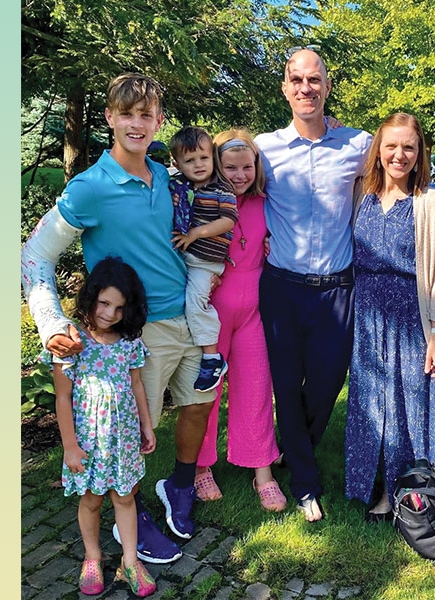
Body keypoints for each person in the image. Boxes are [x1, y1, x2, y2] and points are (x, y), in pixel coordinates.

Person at [21, 73, 214, 564]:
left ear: (159, 122)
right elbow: (33, 256)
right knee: (128, 434)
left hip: (189, 319)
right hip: (135, 332)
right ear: (109, 117)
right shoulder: (89, 189)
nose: (136, 123)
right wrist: (51, 323)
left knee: (198, 406)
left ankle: (182, 486)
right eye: (126, 113)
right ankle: (135, 514)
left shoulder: (168, 180)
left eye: (146, 114)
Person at [254, 48, 372, 521]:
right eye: (296, 80)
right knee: (286, 384)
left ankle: (290, 445)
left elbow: (402, 169)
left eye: (314, 79)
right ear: (285, 88)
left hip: (337, 289)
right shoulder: (264, 147)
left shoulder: (358, 144)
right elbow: (227, 187)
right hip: (281, 287)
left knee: (326, 385)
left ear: (326, 85)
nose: (306, 87)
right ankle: (306, 484)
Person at [343, 113, 435, 521]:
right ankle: (369, 482)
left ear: (420, 152)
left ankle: (408, 493)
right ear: (378, 150)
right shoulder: (361, 194)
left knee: (409, 405)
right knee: (373, 400)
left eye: (409, 146)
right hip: (368, 315)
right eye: (391, 145)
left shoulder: (430, 201)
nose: (399, 155)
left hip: (412, 315)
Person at [48, 257, 157, 596]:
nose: (110, 313)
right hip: (88, 441)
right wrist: (69, 446)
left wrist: (147, 425)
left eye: (119, 307)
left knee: (125, 498)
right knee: (92, 500)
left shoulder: (129, 343)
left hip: (123, 439)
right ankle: (92, 557)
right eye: (104, 303)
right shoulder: (71, 342)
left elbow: (136, 385)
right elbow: (63, 398)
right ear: (91, 296)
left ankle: (129, 561)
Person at [191, 129, 286, 511]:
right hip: (213, 310)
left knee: (256, 387)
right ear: (217, 166)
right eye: (230, 167)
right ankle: (200, 466)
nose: (240, 174)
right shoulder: (205, 202)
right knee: (206, 390)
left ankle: (262, 469)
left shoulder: (266, 202)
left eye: (247, 167)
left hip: (254, 311)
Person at [168, 126, 238, 393]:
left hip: (205, 261)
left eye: (204, 158)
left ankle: (212, 357)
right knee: (184, 303)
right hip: (185, 257)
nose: (198, 165)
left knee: (196, 303)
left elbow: (228, 220)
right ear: (178, 164)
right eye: (190, 160)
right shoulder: (180, 185)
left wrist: (196, 232)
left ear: (213, 158)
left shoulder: (221, 188)